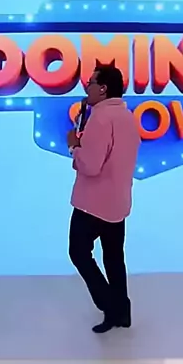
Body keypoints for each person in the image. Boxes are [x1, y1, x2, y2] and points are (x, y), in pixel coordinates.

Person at [67, 63, 140, 333]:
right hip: (118, 201)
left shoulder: (100, 119)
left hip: (93, 204)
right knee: (114, 258)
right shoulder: (127, 117)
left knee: (78, 252)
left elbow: (90, 165)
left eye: (91, 82)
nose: (87, 87)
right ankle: (122, 312)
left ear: (103, 89)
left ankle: (110, 306)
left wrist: (74, 146)